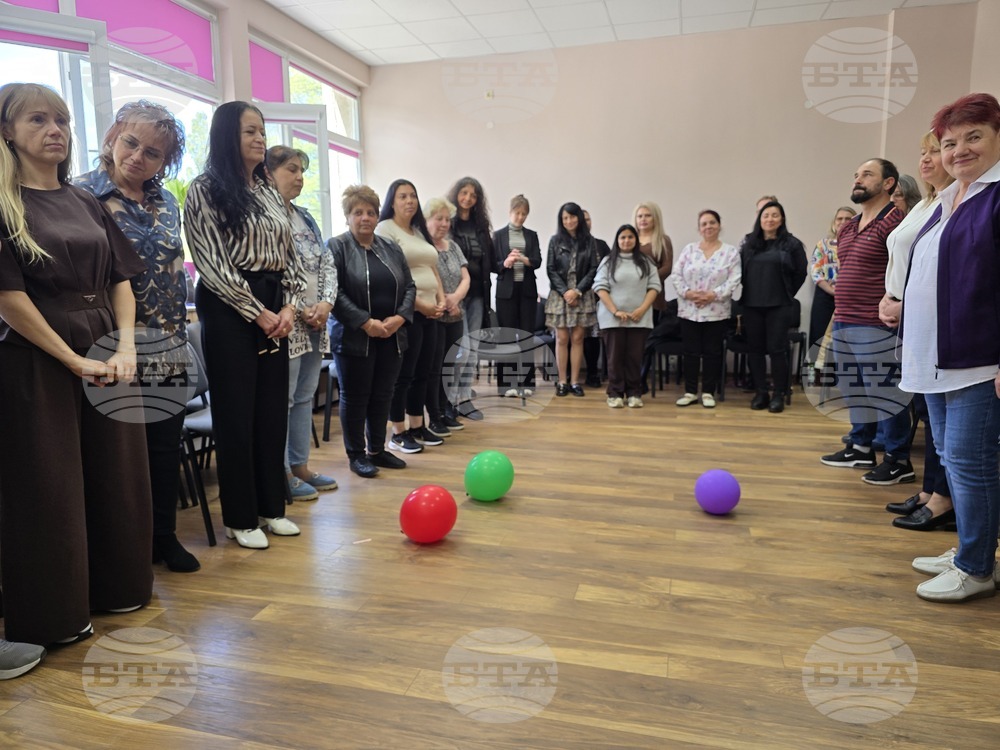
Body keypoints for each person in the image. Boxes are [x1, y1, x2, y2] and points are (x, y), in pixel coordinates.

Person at [0, 82, 153, 645]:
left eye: (61, 119)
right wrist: (70, 359)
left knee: (119, 475)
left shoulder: (86, 199)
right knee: (50, 486)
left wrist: (127, 345)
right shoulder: (3, 203)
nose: (55, 129)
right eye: (37, 119)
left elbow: (120, 279)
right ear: (7, 132)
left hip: (106, 347)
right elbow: (9, 299)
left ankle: (120, 589)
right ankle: (56, 616)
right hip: (35, 357)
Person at [74, 100, 199, 573]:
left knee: (165, 449)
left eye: (153, 153)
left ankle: (163, 538)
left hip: (168, 344)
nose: (138, 157)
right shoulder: (81, 194)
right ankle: (122, 549)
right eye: (131, 142)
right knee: (118, 457)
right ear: (113, 135)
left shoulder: (166, 202)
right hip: (114, 347)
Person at [184, 101, 305, 549]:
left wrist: (289, 305)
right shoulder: (205, 188)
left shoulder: (269, 188)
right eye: (249, 131)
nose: (260, 139)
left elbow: (288, 254)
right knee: (237, 413)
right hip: (229, 306)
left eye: (262, 131)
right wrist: (258, 311)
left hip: (274, 303)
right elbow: (212, 264)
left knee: (271, 409)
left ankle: (272, 507)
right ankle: (240, 516)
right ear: (226, 137)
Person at [904, 93, 1000, 602]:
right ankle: (971, 547)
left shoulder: (996, 196)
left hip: (977, 359)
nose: (959, 150)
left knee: (970, 461)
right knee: (951, 456)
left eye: (974, 137)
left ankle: (977, 567)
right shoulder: (950, 199)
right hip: (937, 358)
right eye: (949, 143)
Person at [879, 131, 956, 530]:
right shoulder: (926, 203)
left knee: (935, 416)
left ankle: (942, 497)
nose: (926, 159)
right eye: (923, 152)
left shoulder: (955, 202)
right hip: (908, 315)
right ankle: (930, 491)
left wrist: (901, 302)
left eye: (935, 151)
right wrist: (890, 297)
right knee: (927, 412)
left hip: (924, 318)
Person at [819, 158, 911, 485]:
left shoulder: (897, 223)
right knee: (855, 390)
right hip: (844, 318)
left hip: (877, 323)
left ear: (888, 183)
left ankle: (899, 460)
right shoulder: (848, 226)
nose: (858, 180)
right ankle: (860, 447)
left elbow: (905, 275)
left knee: (884, 392)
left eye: (867, 174)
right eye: (856, 174)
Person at [264, 145, 337, 502]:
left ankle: (300, 465)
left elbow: (327, 265)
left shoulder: (306, 217)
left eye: (301, 171)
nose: (299, 177)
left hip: (315, 321)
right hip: (285, 321)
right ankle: (279, 471)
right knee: (285, 398)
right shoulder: (264, 216)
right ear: (268, 173)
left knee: (306, 395)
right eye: (291, 169)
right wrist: (297, 307)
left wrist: (325, 303)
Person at [329, 185, 415, 478]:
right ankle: (356, 455)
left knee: (383, 395)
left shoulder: (390, 247)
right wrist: (366, 322)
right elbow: (334, 292)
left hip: (392, 336)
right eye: (358, 213)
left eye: (370, 212)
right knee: (355, 397)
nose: (365, 218)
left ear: (378, 216)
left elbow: (410, 287)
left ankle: (377, 450)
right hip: (355, 337)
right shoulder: (337, 247)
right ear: (348, 216)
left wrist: (399, 319)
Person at [376, 179, 446, 453]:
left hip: (431, 313)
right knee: (403, 374)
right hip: (407, 313)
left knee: (424, 373)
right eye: (402, 196)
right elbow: (394, 276)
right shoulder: (385, 229)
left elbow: (433, 268)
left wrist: (439, 299)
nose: (409, 201)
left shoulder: (418, 231)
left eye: (413, 196)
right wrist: (420, 305)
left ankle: (417, 425)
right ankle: (398, 431)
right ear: (391, 201)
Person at [739, 201, 807, 413]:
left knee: (777, 351)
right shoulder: (749, 243)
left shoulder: (792, 244)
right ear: (760, 219)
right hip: (751, 305)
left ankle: (779, 393)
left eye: (775, 215)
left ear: (782, 219)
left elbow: (801, 273)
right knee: (755, 351)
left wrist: (787, 293)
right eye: (766, 215)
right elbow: (739, 272)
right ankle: (761, 392)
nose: (770, 219)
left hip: (779, 306)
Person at [671, 210, 742, 408]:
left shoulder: (730, 252)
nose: (708, 227)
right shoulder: (689, 250)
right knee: (690, 352)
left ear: (719, 226)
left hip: (716, 311)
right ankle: (691, 391)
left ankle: (709, 391)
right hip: (689, 309)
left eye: (712, 223)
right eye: (704, 224)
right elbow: (676, 275)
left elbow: (734, 278)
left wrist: (713, 295)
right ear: (699, 228)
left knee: (713, 352)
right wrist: (688, 293)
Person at [594, 224, 661, 408]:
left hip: (639, 318)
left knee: (634, 358)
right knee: (614, 358)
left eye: (630, 237)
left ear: (636, 240)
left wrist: (642, 309)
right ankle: (614, 393)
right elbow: (600, 287)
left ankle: (634, 393)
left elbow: (654, 286)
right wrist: (615, 311)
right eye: (622, 237)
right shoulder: (608, 261)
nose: (626, 240)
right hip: (612, 318)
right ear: (617, 240)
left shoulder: (646, 261)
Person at [447, 176, 494, 421]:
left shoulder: (480, 226)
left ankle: (463, 399)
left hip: (477, 294)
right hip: (454, 294)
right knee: (461, 350)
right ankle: (450, 399)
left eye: (473, 195)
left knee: (472, 348)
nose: (468, 198)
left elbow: (490, 260)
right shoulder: (448, 223)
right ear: (456, 194)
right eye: (464, 192)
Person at [425, 196, 469, 433]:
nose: (443, 224)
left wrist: (455, 298)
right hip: (434, 314)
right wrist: (445, 300)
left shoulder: (453, 247)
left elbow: (466, 277)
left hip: (455, 314)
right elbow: (431, 278)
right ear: (427, 220)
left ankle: (445, 410)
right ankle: (433, 415)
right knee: (435, 368)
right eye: (438, 219)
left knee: (450, 365)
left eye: (446, 219)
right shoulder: (424, 247)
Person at [545, 201, 598, 397]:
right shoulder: (554, 240)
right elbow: (550, 269)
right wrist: (566, 292)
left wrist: (577, 291)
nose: (569, 221)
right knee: (562, 338)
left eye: (572, 217)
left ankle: (575, 381)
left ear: (579, 218)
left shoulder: (589, 241)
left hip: (582, 294)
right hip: (560, 295)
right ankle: (561, 381)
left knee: (577, 338)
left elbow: (593, 269)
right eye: (565, 218)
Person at [493, 193, 542, 397]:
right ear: (510, 212)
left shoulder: (532, 235)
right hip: (506, 292)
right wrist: (506, 263)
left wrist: (523, 258)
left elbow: (538, 261)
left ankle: (527, 383)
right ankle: (506, 385)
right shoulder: (498, 235)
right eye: (517, 213)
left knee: (526, 337)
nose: (520, 217)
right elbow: (493, 265)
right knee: (506, 338)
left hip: (527, 291)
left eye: (524, 214)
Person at [808, 206, 856, 353]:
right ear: (834, 223)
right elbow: (816, 271)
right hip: (825, 296)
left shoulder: (860, 243)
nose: (843, 222)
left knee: (845, 342)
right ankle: (816, 374)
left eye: (848, 219)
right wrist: (832, 290)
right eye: (839, 219)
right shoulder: (823, 245)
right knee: (820, 337)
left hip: (850, 298)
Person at [582, 209, 610, 388]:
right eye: (582, 220)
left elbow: (609, 269)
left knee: (593, 338)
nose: (586, 223)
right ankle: (570, 375)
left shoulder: (600, 245)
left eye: (588, 219)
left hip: (597, 299)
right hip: (575, 299)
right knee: (575, 338)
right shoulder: (569, 244)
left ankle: (593, 373)